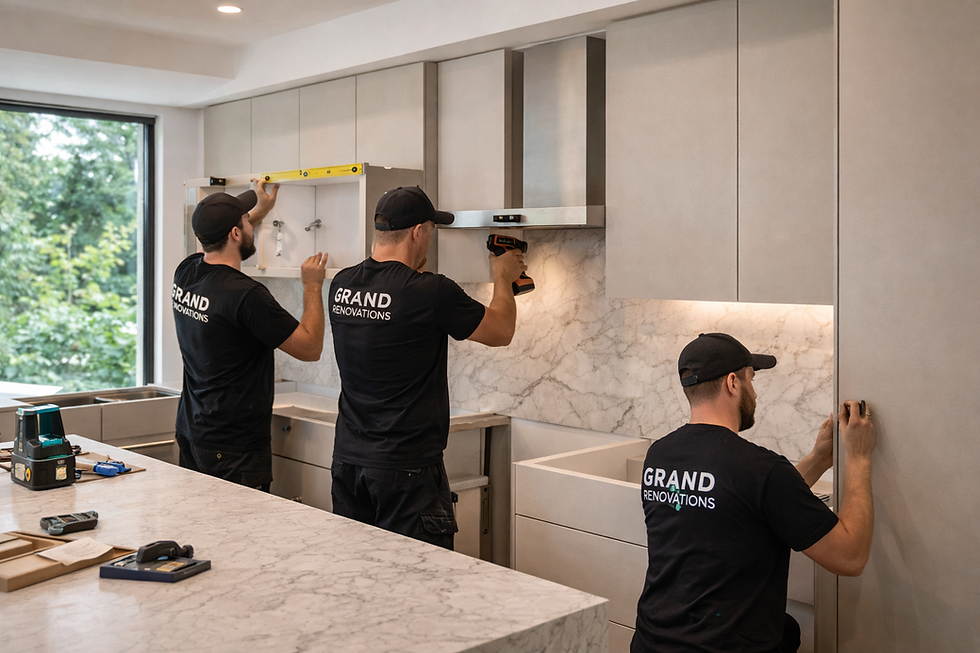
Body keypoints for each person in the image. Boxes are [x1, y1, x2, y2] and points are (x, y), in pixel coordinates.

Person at [632, 332, 876, 653]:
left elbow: (745, 501)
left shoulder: (660, 455)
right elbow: (850, 557)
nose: (756, 393)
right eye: (752, 379)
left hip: (652, 641)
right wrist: (858, 457)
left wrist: (818, 459)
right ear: (733, 383)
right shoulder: (759, 468)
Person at [327, 185, 526, 550]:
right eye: (431, 232)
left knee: (358, 573)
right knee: (419, 583)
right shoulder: (429, 291)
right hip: (407, 470)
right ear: (418, 232)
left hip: (349, 462)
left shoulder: (341, 285)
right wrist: (502, 277)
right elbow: (500, 332)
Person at [173, 179, 327, 491]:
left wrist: (259, 211)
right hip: (234, 447)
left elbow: (225, 243)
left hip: (193, 432)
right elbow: (310, 347)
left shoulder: (187, 271)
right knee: (241, 534)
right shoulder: (247, 296)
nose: (251, 223)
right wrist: (312, 285)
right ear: (234, 233)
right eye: (246, 221)